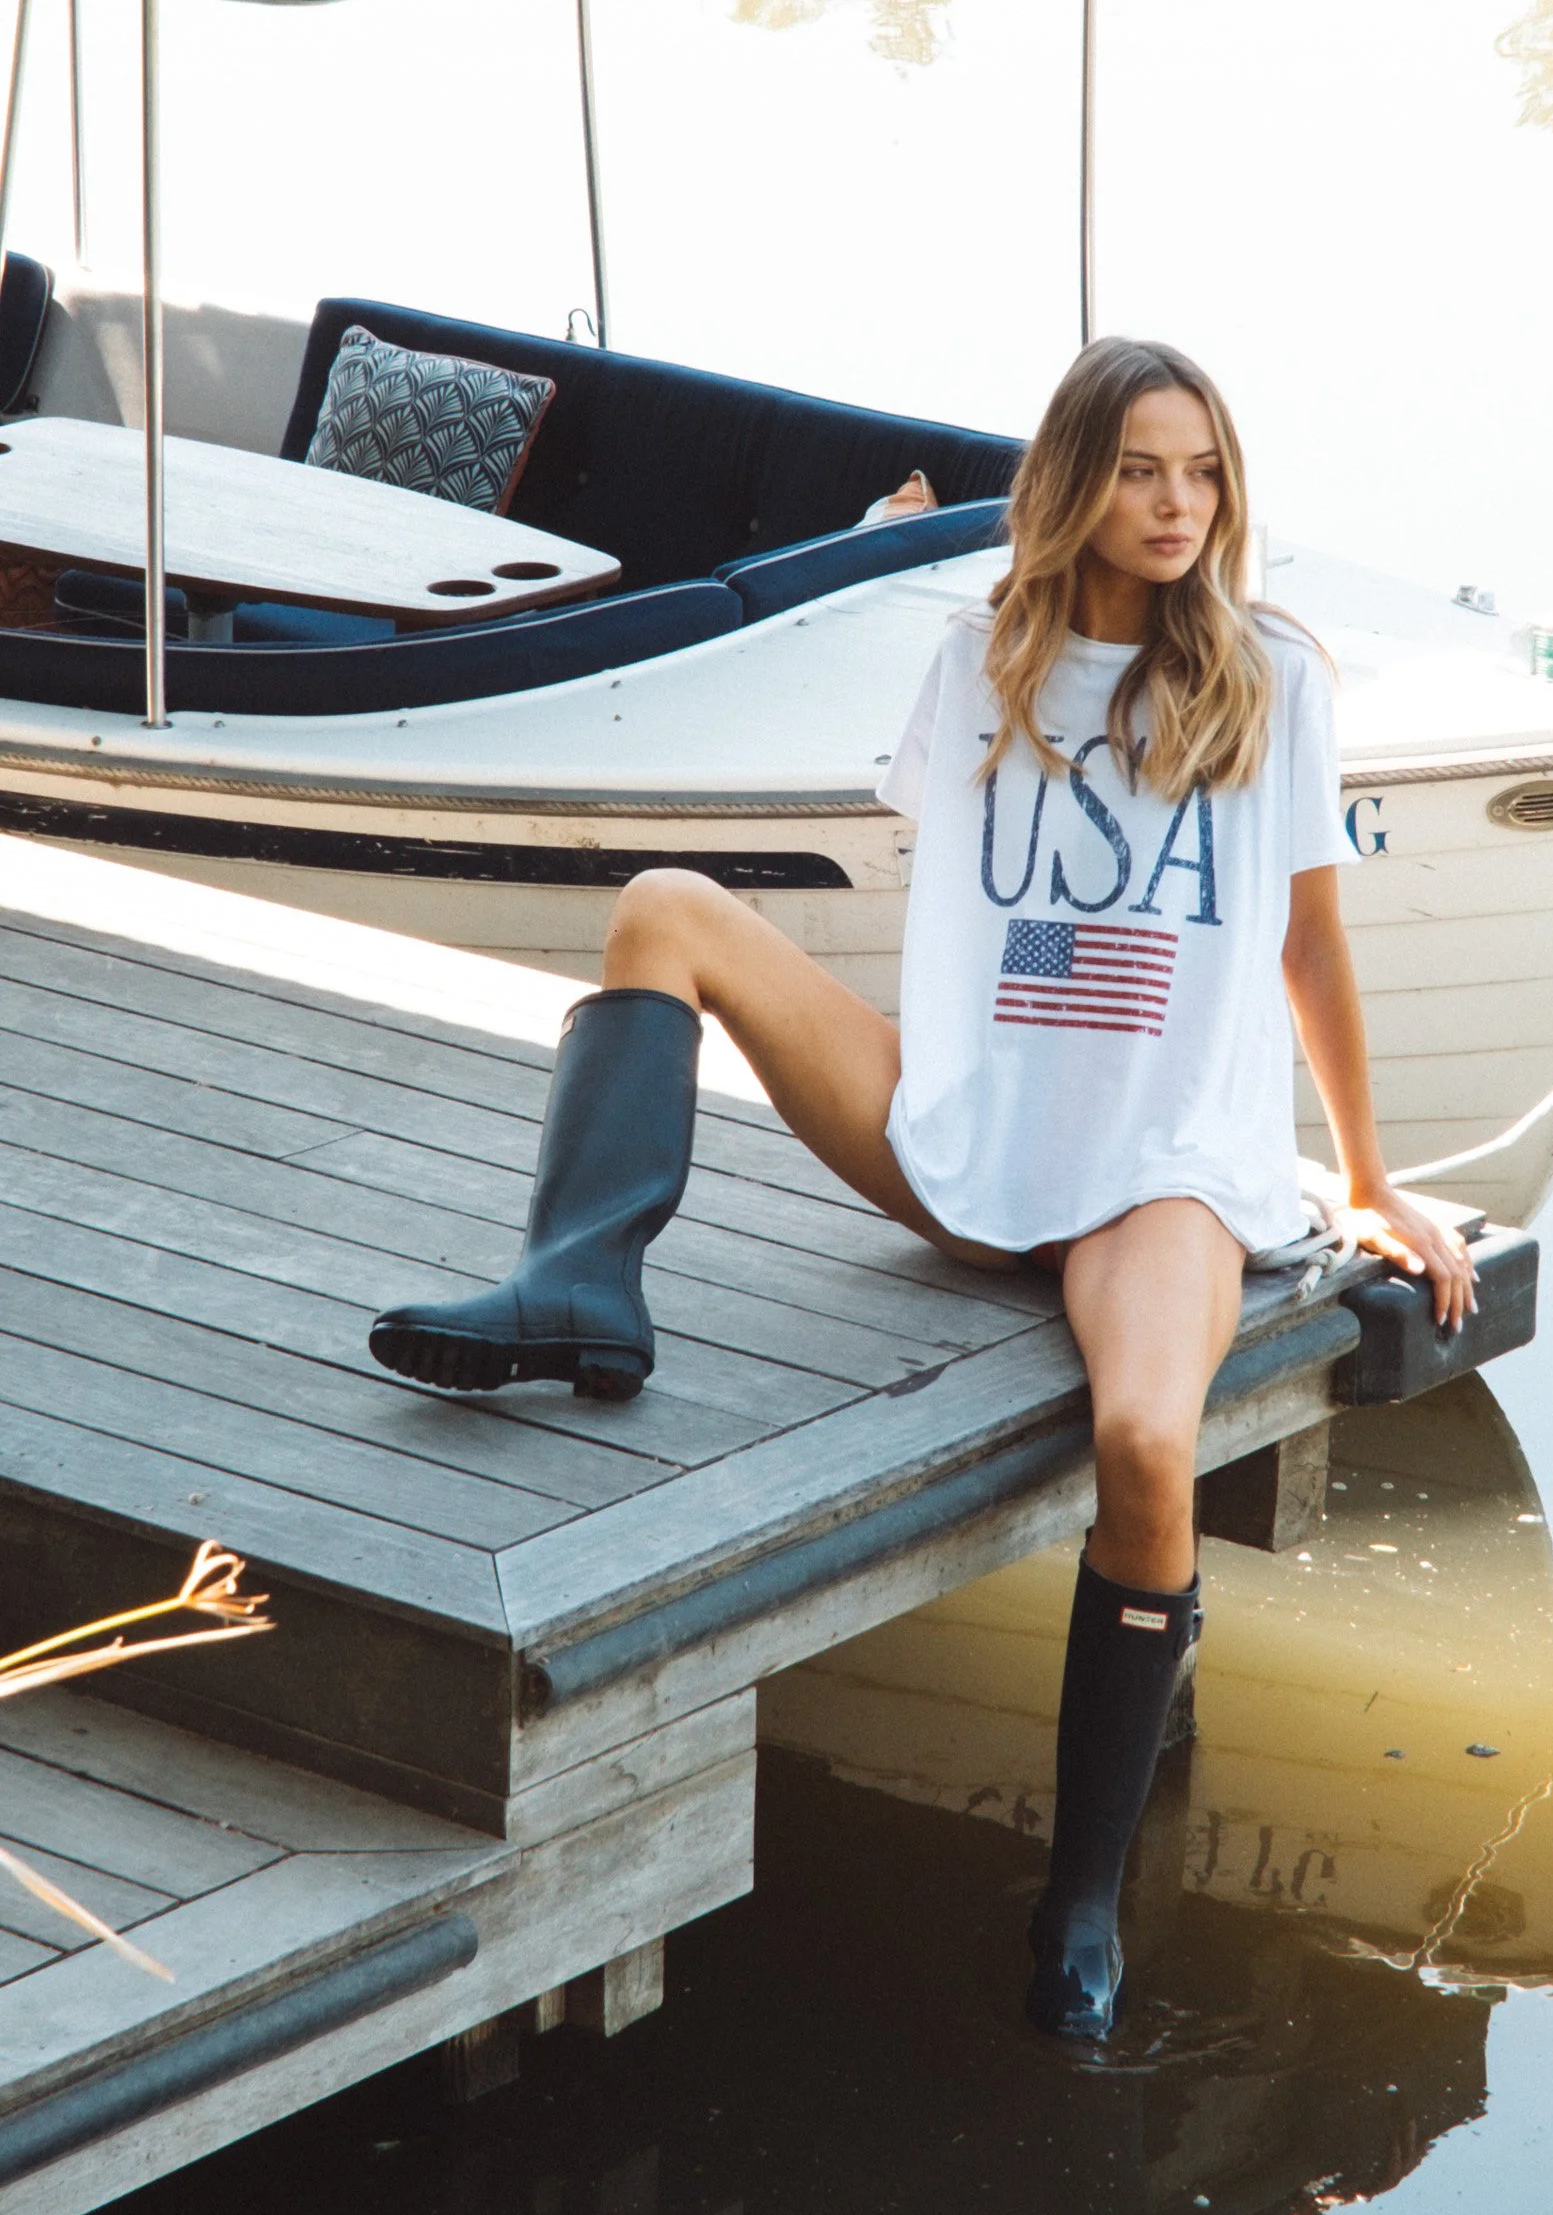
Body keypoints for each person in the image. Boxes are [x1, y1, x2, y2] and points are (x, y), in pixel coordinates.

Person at [368, 335, 1475, 2040]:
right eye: (1140, 469)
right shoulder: (978, 661)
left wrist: (1375, 1179)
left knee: (1146, 1441)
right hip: (964, 1140)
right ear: (1075, 481)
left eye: (1202, 472)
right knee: (664, 905)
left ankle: (1081, 1900)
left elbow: (1311, 945)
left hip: (1157, 1178)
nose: (1177, 504)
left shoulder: (1271, 675)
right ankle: (581, 1279)